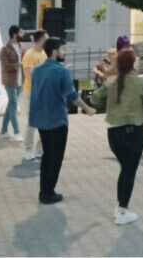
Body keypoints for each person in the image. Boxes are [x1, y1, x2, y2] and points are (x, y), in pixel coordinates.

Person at [91, 49, 143, 225]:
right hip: (133, 133)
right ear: (133, 63)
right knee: (129, 172)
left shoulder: (111, 81)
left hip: (113, 132)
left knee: (125, 170)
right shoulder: (142, 82)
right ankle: (122, 210)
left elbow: (94, 99)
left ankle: (120, 206)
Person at [29, 37, 95, 204]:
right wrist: (87, 108)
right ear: (54, 51)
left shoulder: (36, 70)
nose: (65, 53)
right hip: (57, 120)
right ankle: (48, 192)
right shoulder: (61, 71)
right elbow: (72, 95)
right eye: (63, 50)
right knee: (56, 157)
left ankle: (44, 190)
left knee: (47, 155)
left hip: (41, 119)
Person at [21, 30, 48, 161]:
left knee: (44, 123)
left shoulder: (44, 54)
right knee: (32, 123)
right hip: (31, 92)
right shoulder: (29, 54)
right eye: (46, 38)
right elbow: (28, 74)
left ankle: (40, 150)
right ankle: (28, 150)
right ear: (40, 39)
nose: (47, 41)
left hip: (43, 93)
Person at [0, 25, 25, 142]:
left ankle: (3, 132)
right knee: (13, 106)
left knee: (11, 106)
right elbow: (5, 65)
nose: (23, 34)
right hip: (10, 81)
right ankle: (17, 132)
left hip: (20, 81)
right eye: (21, 32)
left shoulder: (21, 47)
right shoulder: (5, 49)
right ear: (15, 34)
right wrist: (17, 65)